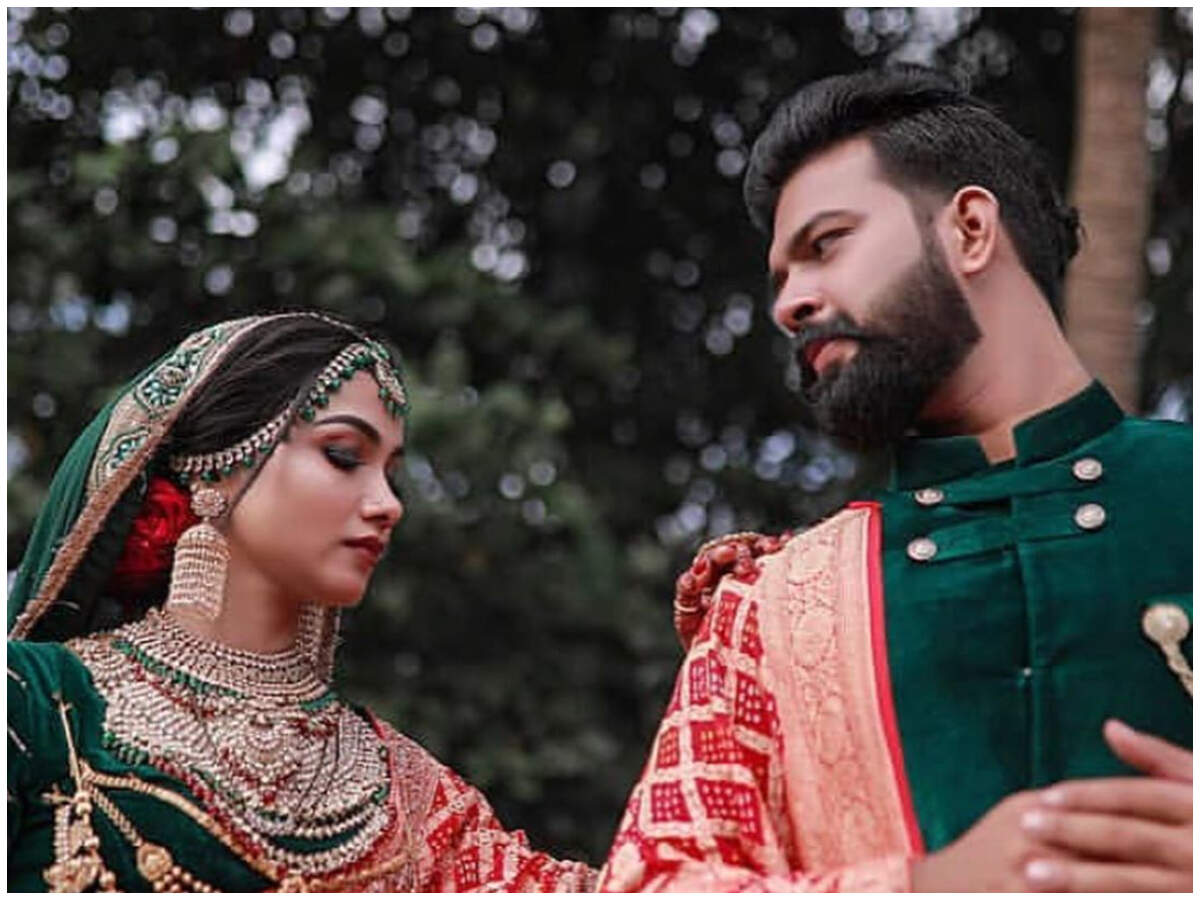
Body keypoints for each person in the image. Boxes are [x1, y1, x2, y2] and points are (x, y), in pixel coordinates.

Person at [599, 66, 1191, 892]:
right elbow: (653, 883)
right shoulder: (767, 610)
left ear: (971, 229)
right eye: (780, 278)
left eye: (825, 244)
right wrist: (927, 884)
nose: (789, 304)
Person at [7, 312, 597, 892]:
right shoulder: (38, 705)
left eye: (393, 474)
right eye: (343, 455)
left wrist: (696, 664)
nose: (388, 504)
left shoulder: (412, 798)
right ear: (214, 469)